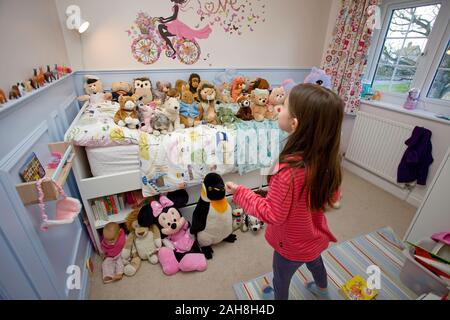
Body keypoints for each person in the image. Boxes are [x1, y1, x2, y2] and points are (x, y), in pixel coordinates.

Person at [226, 83, 344, 300]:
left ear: (294, 123)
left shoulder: (288, 172)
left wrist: (241, 193)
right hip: (314, 237)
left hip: (290, 244)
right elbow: (334, 198)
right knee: (316, 263)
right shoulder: (328, 160)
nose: (278, 109)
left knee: (281, 278)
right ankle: (323, 290)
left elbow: (273, 214)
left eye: (284, 106)